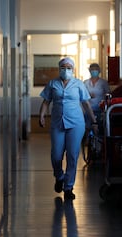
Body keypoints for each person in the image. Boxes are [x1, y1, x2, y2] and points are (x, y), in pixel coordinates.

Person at [39, 57, 98, 200]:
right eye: (63, 67)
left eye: (68, 67)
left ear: (73, 69)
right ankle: (59, 176)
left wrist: (94, 121)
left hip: (76, 124)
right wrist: (42, 115)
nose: (66, 70)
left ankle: (68, 187)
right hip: (58, 123)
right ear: (59, 69)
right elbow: (46, 101)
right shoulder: (53, 83)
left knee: (72, 156)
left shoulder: (78, 84)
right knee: (56, 155)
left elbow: (86, 104)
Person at [83, 63, 111, 129]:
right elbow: (81, 95)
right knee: (87, 128)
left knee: (99, 128)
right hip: (88, 110)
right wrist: (88, 95)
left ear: (99, 71)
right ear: (89, 71)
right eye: (92, 69)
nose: (94, 71)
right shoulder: (85, 82)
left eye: (96, 69)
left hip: (100, 109)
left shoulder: (103, 82)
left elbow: (108, 94)